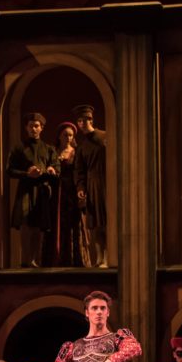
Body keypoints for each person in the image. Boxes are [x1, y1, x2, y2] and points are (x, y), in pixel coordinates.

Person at [7, 112, 59, 268]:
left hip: (42, 191)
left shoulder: (49, 149)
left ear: (41, 128)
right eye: (30, 126)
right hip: (25, 190)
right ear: (26, 128)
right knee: (25, 224)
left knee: (38, 226)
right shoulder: (19, 148)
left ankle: (35, 260)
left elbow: (57, 167)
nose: (33, 129)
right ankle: (25, 260)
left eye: (36, 126)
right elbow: (10, 170)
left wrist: (51, 170)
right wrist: (26, 173)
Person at [72, 105, 108, 268]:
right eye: (79, 121)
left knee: (107, 222)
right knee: (95, 224)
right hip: (92, 185)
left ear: (91, 120)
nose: (81, 123)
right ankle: (100, 258)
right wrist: (81, 188)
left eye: (84, 120)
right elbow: (79, 170)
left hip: (107, 182)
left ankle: (108, 258)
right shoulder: (81, 146)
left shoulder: (104, 137)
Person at [53, 122, 82, 266]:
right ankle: (57, 258)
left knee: (72, 223)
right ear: (59, 136)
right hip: (57, 191)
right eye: (65, 135)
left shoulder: (76, 152)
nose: (68, 138)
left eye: (71, 135)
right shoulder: (54, 152)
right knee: (58, 223)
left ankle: (73, 259)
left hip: (71, 191)